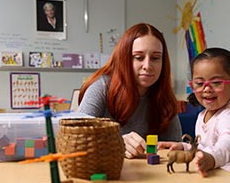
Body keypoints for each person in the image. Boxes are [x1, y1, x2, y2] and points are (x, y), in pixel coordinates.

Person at [78, 23, 182, 159]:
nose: (148, 66)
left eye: (156, 58)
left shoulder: (165, 97)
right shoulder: (101, 87)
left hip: (149, 176)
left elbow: (174, 146)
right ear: (124, 59)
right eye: (138, 57)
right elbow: (76, 138)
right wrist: (115, 142)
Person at [159, 47, 230, 180]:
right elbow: (205, 146)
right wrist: (184, 147)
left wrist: (211, 158)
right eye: (199, 83)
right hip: (216, 174)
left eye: (216, 83)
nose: (206, 89)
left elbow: (228, 144)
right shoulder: (202, 116)